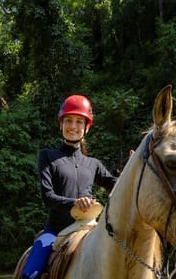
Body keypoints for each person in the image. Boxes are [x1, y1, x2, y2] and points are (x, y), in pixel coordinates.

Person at [20, 95, 118, 279]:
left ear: (87, 127)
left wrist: (133, 168)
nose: (73, 126)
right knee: (29, 274)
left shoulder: (94, 164)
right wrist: (76, 202)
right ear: (61, 124)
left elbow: (117, 186)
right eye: (69, 120)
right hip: (55, 231)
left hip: (90, 228)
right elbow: (47, 196)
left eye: (79, 122)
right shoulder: (47, 156)